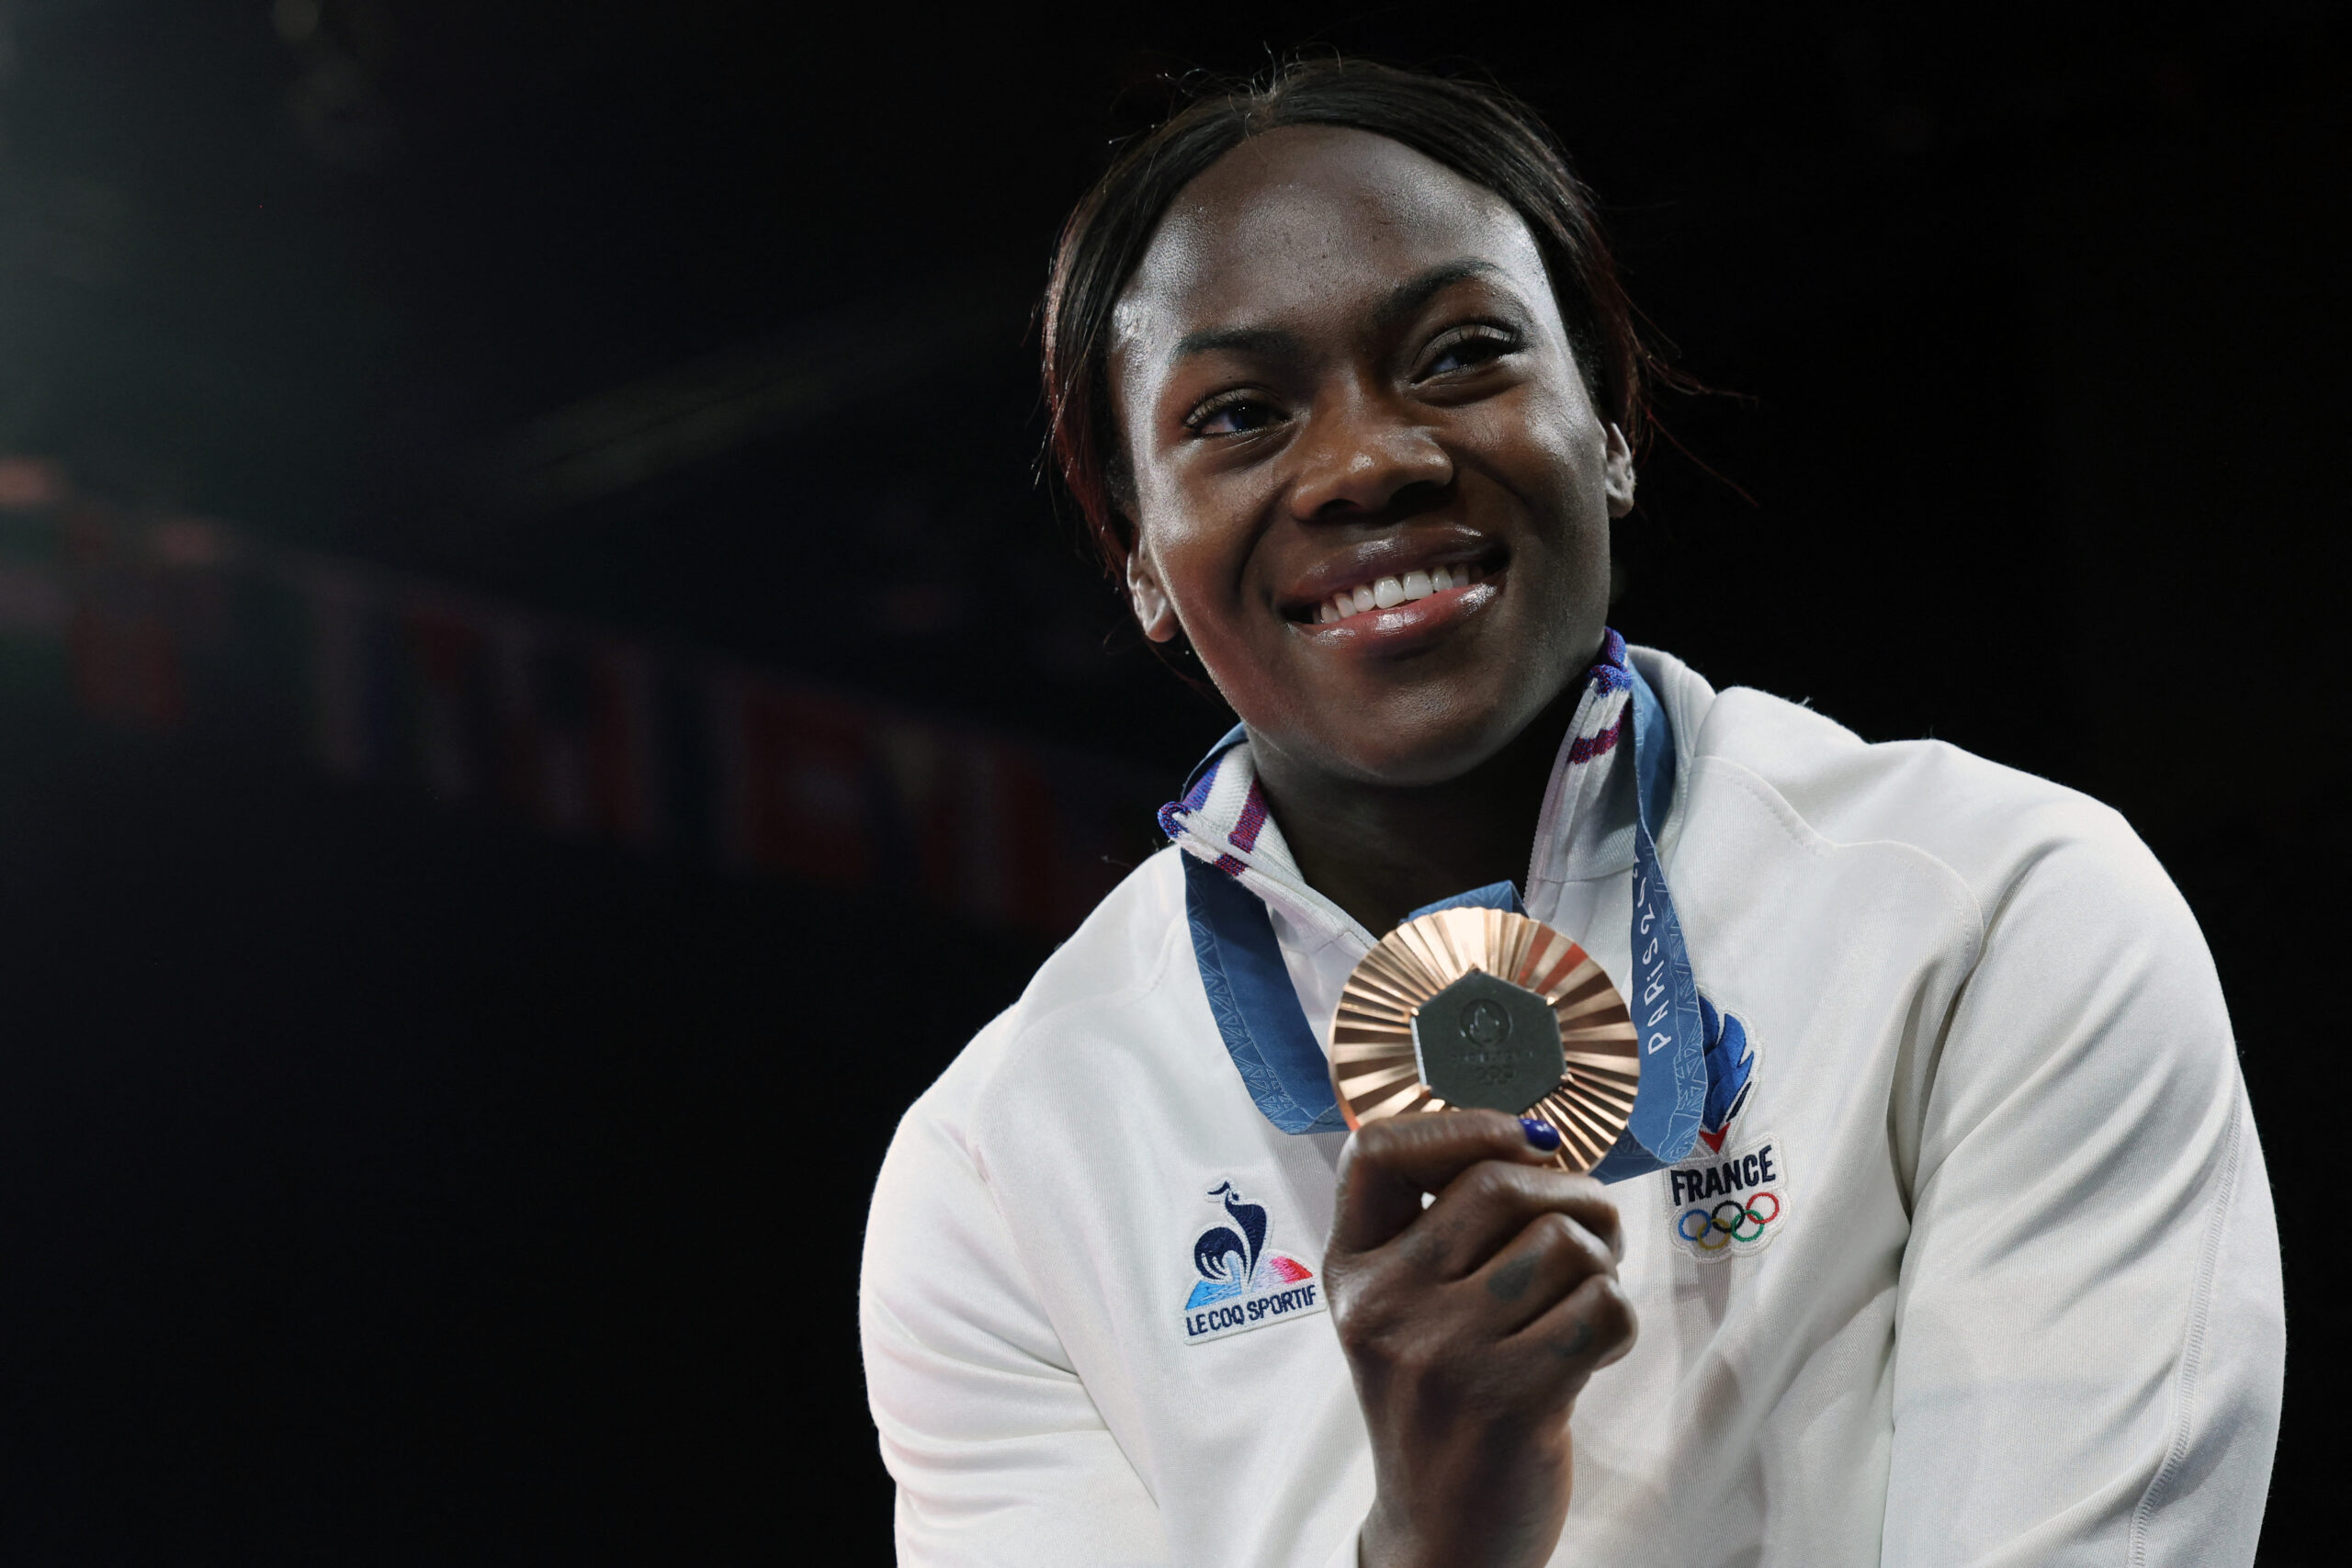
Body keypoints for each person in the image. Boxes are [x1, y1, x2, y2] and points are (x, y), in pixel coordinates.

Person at [857, 59, 2284, 1568]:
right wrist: (1435, 1539)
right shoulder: (999, 1175)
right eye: (1240, 415)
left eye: (1462, 353)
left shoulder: (1995, 912)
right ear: (1140, 553)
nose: (1365, 462)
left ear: (1606, 420)